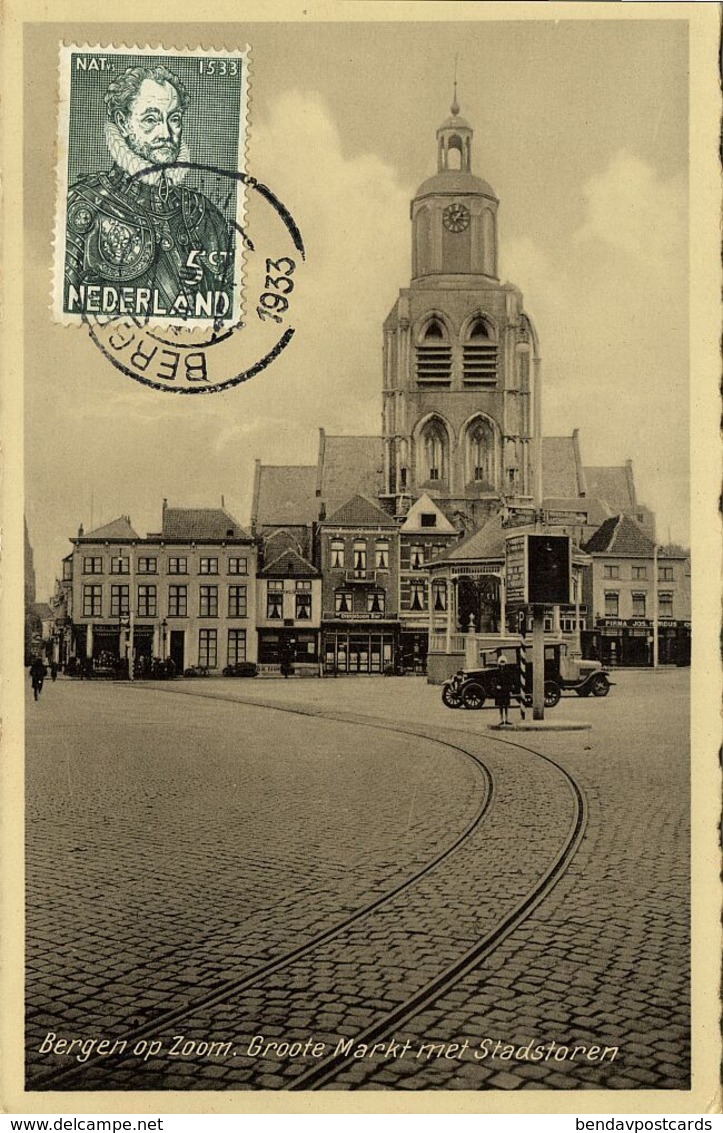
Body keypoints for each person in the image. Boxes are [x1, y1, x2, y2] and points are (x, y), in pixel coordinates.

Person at [64, 65, 233, 321]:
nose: (166, 134)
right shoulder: (82, 206)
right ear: (123, 122)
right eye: (151, 120)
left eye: (174, 119)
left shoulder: (205, 216)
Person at [493, 655, 515, 726]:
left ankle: (507, 719)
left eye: (503, 662)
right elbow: (494, 680)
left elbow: (510, 680)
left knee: (506, 705)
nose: (502, 664)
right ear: (499, 663)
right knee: (500, 705)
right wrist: (496, 686)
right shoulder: (497, 671)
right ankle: (501, 719)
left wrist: (510, 688)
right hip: (499, 691)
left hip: (505, 690)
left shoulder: (508, 670)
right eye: (501, 662)